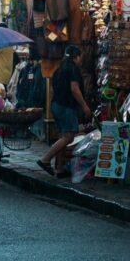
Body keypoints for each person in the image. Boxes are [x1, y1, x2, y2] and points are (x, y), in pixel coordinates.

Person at [37, 45, 92, 178]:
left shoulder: (59, 69)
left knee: (63, 136)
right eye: (80, 57)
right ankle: (45, 159)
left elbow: (52, 89)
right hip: (66, 106)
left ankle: (59, 169)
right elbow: (74, 89)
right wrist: (84, 106)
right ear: (76, 57)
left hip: (56, 105)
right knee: (69, 136)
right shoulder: (73, 69)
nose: (81, 60)